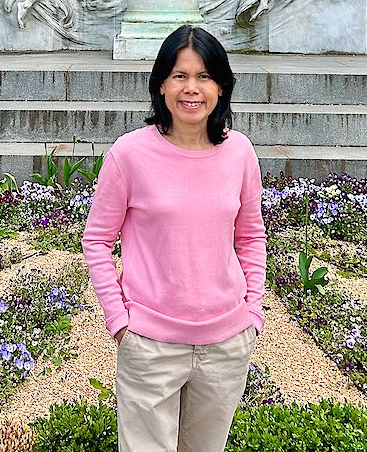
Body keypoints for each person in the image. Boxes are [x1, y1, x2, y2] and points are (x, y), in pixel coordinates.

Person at [83, 25, 266, 452]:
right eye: (180, 76)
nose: (192, 88)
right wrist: (119, 321)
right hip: (150, 343)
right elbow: (96, 239)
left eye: (204, 76)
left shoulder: (240, 152)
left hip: (225, 342)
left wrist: (252, 311)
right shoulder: (128, 154)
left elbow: (251, 237)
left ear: (221, 87)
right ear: (161, 84)